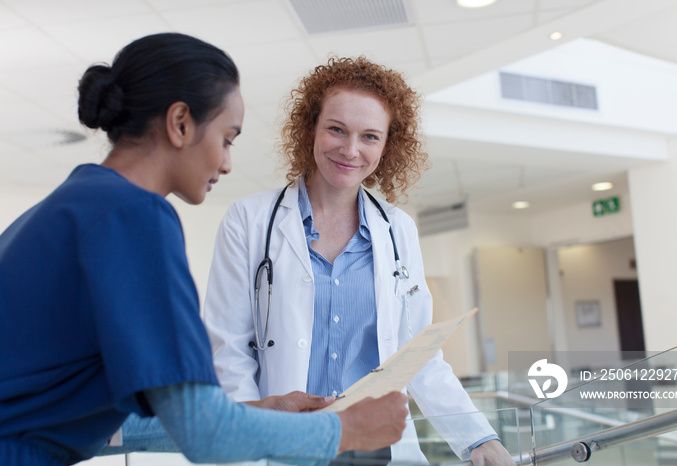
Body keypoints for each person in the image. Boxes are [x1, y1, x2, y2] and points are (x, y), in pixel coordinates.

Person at [0, 34, 410, 466]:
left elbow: (131, 424)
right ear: (180, 123)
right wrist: (345, 429)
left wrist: (257, 413)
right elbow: (204, 434)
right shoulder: (133, 216)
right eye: (227, 138)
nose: (228, 162)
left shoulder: (75, 207)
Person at [203, 57, 516, 465]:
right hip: (286, 446)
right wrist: (246, 443)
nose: (351, 150)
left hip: (377, 449)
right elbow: (228, 350)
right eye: (336, 129)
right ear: (310, 127)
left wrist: (477, 439)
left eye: (370, 136)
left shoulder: (398, 230)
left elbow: (418, 353)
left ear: (388, 144)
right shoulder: (249, 221)